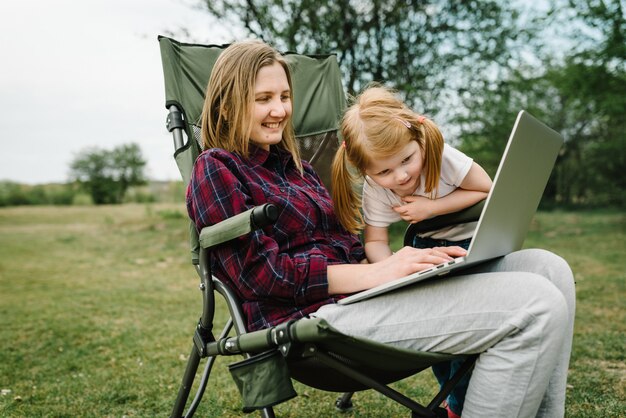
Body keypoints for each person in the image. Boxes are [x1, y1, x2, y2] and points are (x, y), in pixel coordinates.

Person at [186, 39, 576, 418]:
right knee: (534, 304)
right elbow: (260, 275)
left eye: (285, 96)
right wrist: (377, 273)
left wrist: (406, 268)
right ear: (228, 104)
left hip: (368, 297)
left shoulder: (298, 170)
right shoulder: (216, 168)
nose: (280, 109)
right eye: (263, 99)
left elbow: (349, 244)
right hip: (312, 322)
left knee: (549, 270)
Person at [331, 85, 493, 417]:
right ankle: (452, 400)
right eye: (384, 171)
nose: (401, 175)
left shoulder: (440, 153)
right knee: (442, 328)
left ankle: (460, 407)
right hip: (426, 251)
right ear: (366, 172)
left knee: (468, 323)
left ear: (418, 139)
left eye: (407, 160)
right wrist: (393, 268)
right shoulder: (376, 189)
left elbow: (485, 187)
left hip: (471, 242)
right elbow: (375, 241)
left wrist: (432, 207)